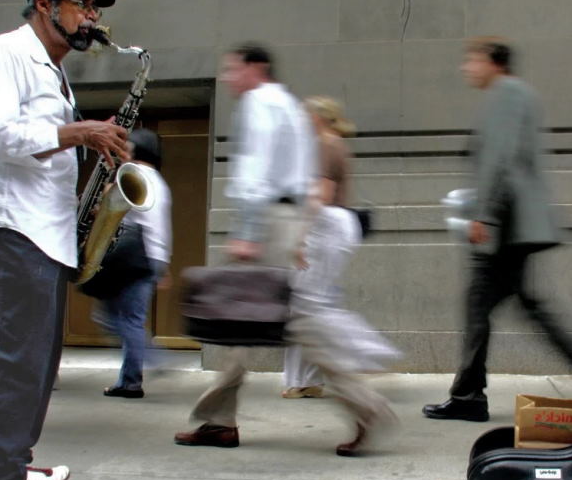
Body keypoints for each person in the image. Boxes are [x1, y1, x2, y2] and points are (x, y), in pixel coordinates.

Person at [0, 0, 128, 480]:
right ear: (44, 5)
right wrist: (80, 133)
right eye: (82, 4)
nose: (92, 17)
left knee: (33, 363)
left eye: (96, 8)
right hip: (6, 232)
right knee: (4, 362)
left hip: (41, 235)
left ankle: (11, 460)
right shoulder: (1, 54)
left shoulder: (53, 73)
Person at [423, 37, 572, 423]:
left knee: (480, 305)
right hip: (512, 224)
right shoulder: (513, 94)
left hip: (505, 226)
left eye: (471, 60)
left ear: (492, 62)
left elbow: (501, 157)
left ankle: (468, 396)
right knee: (523, 308)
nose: (466, 68)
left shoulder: (508, 93)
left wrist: (484, 215)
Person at [174, 43, 315, 448]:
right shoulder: (289, 104)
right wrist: (299, 232)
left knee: (239, 315)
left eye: (232, 69)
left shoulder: (259, 103)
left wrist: (247, 232)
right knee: (269, 320)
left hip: (266, 220)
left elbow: (256, 171)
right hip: (285, 218)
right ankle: (219, 418)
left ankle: (365, 404)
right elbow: (302, 175)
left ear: (256, 68)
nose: (227, 77)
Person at [285, 95, 399, 455]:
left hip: (326, 230)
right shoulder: (338, 145)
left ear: (319, 118)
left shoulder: (325, 145)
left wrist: (299, 238)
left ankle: (366, 391)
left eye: (307, 115)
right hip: (338, 230)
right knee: (312, 315)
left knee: (306, 317)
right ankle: (362, 367)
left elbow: (321, 196)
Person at [94, 129, 172, 399]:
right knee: (132, 319)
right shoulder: (160, 182)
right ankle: (130, 379)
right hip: (152, 257)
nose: (123, 152)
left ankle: (141, 370)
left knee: (118, 318)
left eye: (127, 148)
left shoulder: (133, 177)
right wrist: (164, 265)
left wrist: (105, 196)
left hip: (132, 257)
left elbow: (117, 214)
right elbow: (160, 225)